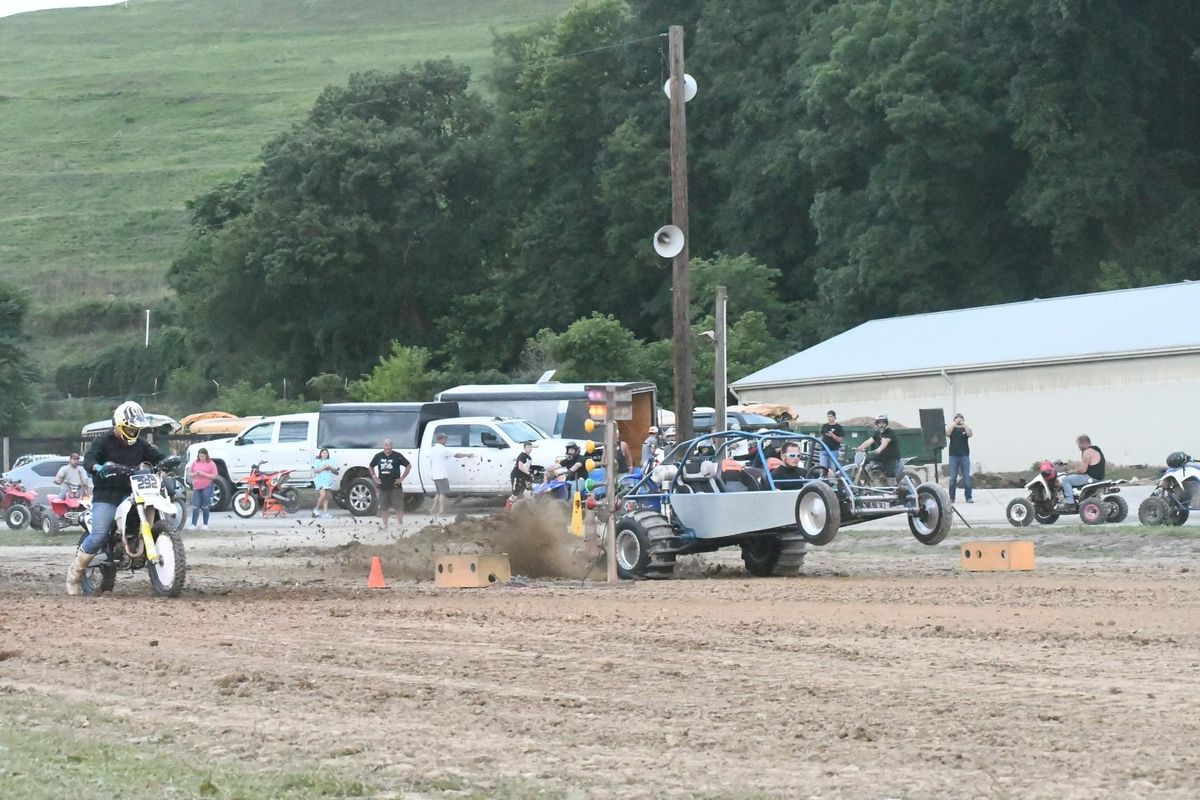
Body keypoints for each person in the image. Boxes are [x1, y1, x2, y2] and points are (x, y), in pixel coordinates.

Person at [68, 401, 166, 596]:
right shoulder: (103, 441)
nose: (133, 432)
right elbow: (89, 460)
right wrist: (97, 467)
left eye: (136, 428)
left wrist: (167, 462)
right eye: (129, 428)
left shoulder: (141, 444)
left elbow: (157, 456)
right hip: (107, 494)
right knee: (98, 535)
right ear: (119, 425)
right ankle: (74, 575)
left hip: (133, 492)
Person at [369, 438, 411, 528]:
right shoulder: (378, 456)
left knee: (398, 506)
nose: (388, 447)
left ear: (392, 446)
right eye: (386, 445)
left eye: (389, 445)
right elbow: (370, 466)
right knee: (384, 507)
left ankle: (400, 524)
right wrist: (375, 477)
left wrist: (402, 478)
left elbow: (408, 465)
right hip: (383, 485)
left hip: (395, 486)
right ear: (384, 446)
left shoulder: (397, 455)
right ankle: (385, 525)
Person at [430, 432, 473, 515]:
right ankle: (441, 511)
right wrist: (467, 455)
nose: (446, 440)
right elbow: (457, 455)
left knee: (438, 493)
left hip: (435, 475)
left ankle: (433, 509)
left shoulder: (434, 449)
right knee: (443, 493)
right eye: (445, 439)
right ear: (441, 439)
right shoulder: (443, 449)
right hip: (442, 475)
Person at [855, 414, 902, 482]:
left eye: (883, 423)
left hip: (891, 458)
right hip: (881, 456)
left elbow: (885, 441)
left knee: (890, 475)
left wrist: (879, 449)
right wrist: (858, 449)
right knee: (865, 459)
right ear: (877, 424)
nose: (881, 425)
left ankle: (891, 488)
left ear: (886, 424)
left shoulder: (890, 432)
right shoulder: (877, 433)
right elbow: (869, 441)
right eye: (879, 423)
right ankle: (868, 479)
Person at [1062, 434, 1105, 506]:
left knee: (1066, 480)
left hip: (1091, 477)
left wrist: (1072, 472)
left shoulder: (1087, 452)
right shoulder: (1097, 450)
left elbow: (1083, 470)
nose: (1078, 447)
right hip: (1099, 477)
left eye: (1078, 444)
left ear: (1084, 443)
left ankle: (1070, 502)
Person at [946, 413, 973, 503]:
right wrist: (954, 424)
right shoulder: (952, 428)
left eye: (960, 418)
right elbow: (947, 433)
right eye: (957, 418)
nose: (959, 420)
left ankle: (968, 497)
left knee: (966, 478)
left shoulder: (965, 428)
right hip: (953, 456)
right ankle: (952, 497)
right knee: (953, 478)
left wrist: (964, 424)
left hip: (964, 455)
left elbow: (970, 434)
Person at [188, 447, 218, 528]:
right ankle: (193, 524)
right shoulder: (195, 462)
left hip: (206, 486)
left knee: (205, 505)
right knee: (195, 506)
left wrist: (204, 474)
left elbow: (215, 476)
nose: (201, 458)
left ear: (206, 456)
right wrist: (196, 474)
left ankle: (205, 524)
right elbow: (190, 473)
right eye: (200, 456)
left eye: (203, 456)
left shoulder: (211, 463)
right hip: (196, 487)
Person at [311, 448, 339, 518]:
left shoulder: (330, 461)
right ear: (320, 454)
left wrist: (330, 468)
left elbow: (336, 472)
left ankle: (325, 513)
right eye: (323, 453)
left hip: (327, 481)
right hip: (320, 480)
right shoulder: (318, 461)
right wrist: (323, 467)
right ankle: (316, 509)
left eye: (326, 453)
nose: (325, 454)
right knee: (322, 495)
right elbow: (315, 470)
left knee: (326, 497)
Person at [818, 410, 844, 476]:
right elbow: (822, 437)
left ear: (834, 417)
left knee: (832, 470)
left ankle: (832, 485)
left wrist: (833, 435)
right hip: (824, 450)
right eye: (828, 416)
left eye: (831, 416)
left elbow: (841, 440)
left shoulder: (838, 427)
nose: (829, 418)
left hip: (833, 451)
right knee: (822, 469)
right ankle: (822, 483)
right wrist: (819, 443)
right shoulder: (824, 426)